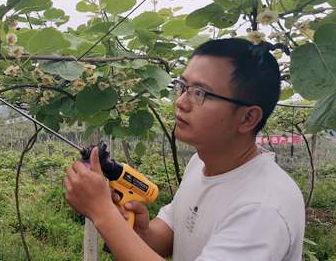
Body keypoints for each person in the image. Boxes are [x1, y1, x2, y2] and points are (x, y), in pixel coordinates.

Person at [63, 38, 305, 260]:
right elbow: (171, 236)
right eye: (183, 87)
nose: (180, 102)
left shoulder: (262, 209)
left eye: (199, 93)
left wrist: (102, 212)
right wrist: (140, 231)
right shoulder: (202, 163)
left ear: (247, 118)